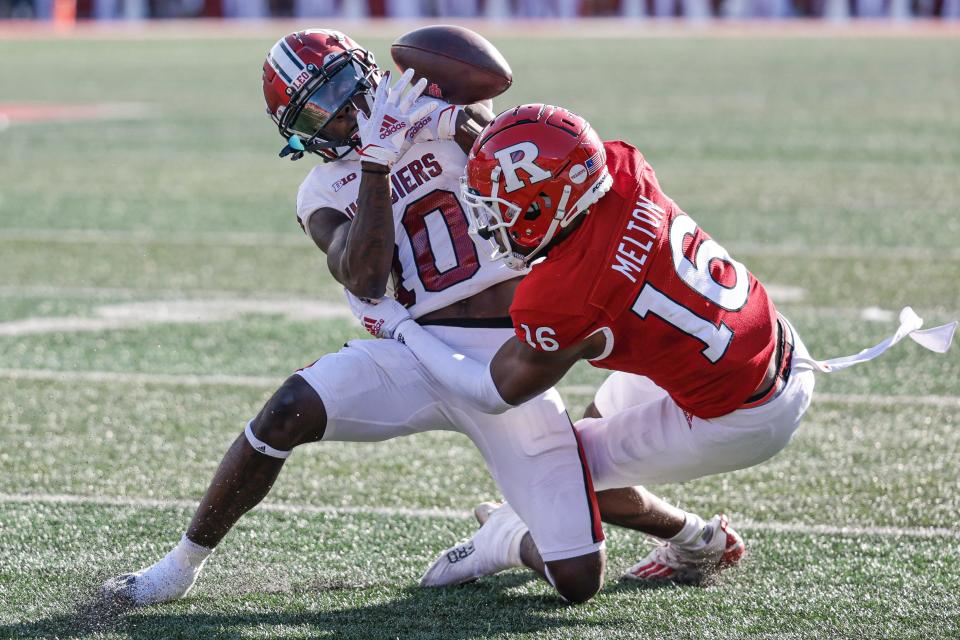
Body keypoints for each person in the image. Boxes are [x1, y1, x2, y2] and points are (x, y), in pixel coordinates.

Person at [347, 103, 957, 587]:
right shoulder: (620, 167)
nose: (488, 224)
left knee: (557, 472)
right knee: (587, 435)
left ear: (542, 204)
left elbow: (492, 391)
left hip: (743, 412)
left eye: (497, 209)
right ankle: (679, 540)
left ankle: (649, 540)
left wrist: (399, 327)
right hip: (761, 338)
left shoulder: (563, 296)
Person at [101, 34, 607, 607]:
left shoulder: (437, 103)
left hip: (511, 354)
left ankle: (506, 538)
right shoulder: (319, 190)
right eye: (317, 109)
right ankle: (178, 567)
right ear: (299, 131)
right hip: (412, 350)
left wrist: (447, 117)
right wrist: (376, 161)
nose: (341, 112)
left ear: (366, 71)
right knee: (287, 409)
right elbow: (363, 277)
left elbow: (510, 134)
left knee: (578, 580)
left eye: (342, 87)